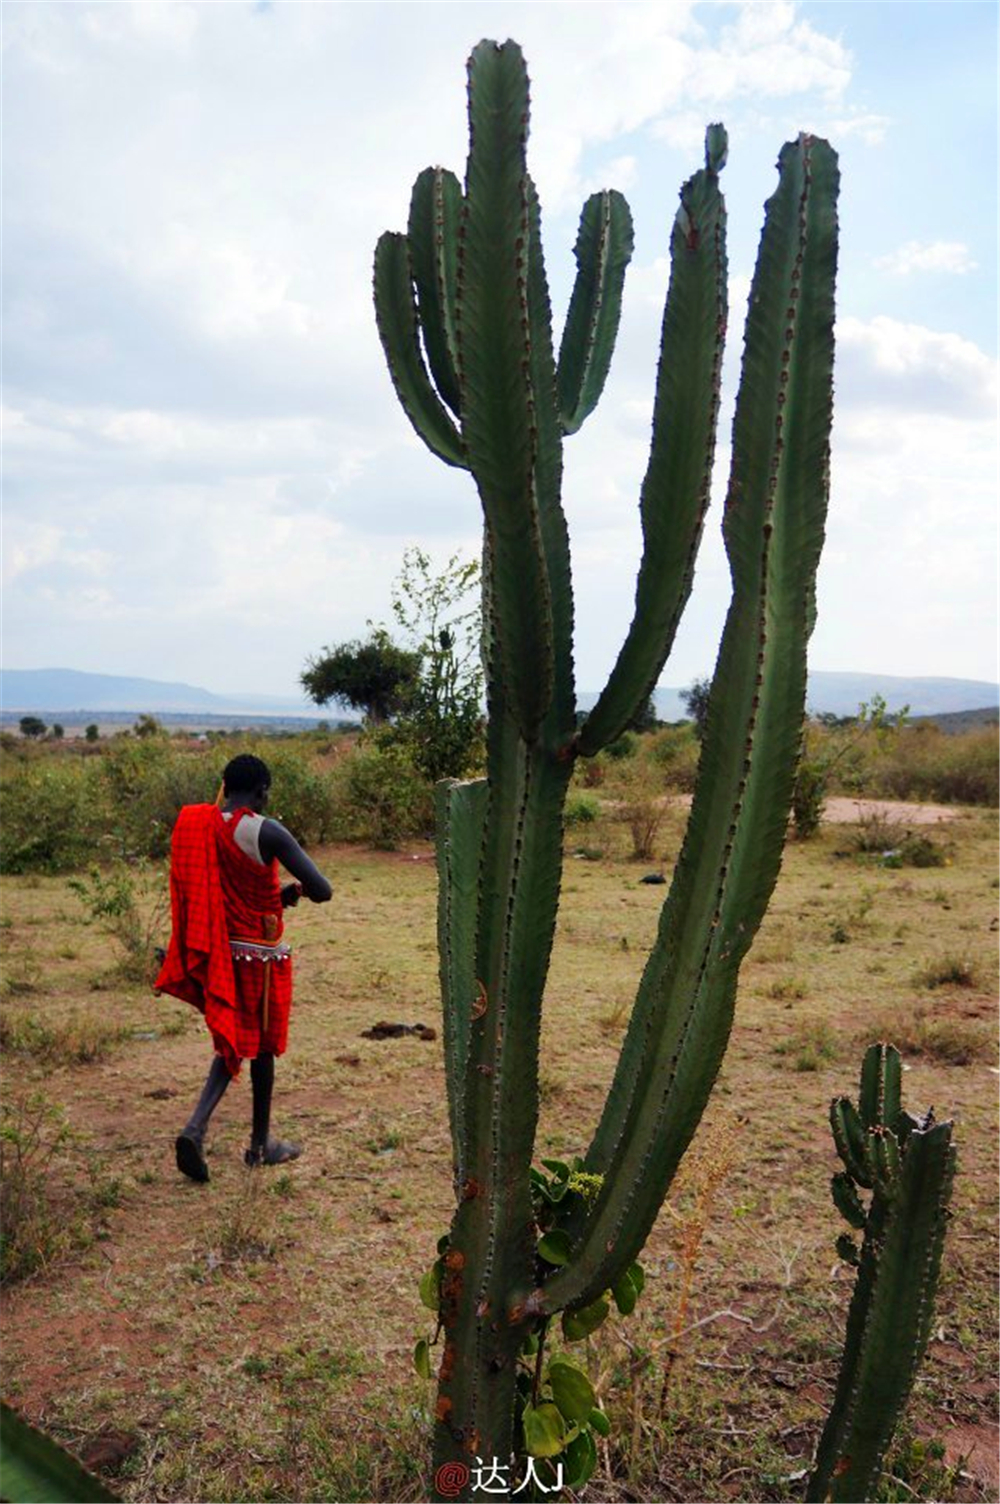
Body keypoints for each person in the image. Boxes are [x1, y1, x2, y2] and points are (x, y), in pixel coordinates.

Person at [155, 753, 332, 1182]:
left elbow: (230, 885)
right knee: (264, 1047)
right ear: (262, 790)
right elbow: (323, 890)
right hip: (260, 957)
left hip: (220, 950)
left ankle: (198, 1130)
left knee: (233, 1041)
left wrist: (278, 895)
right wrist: (298, 890)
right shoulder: (265, 830)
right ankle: (259, 1144)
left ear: (224, 785)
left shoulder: (203, 826)